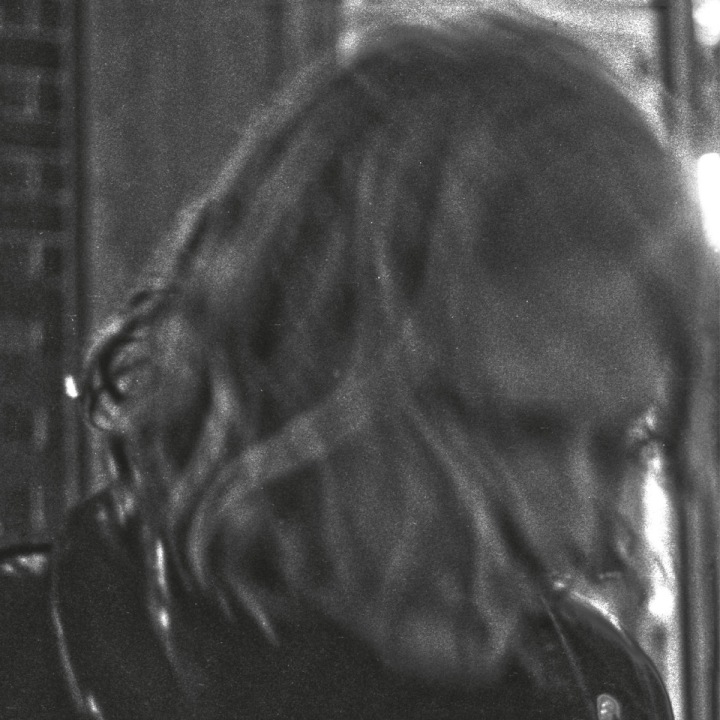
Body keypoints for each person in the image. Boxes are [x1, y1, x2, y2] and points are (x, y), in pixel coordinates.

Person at [1, 12, 716, 719]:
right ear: (292, 366)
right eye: (516, 434)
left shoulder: (603, 691)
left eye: (620, 446)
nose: (579, 532)